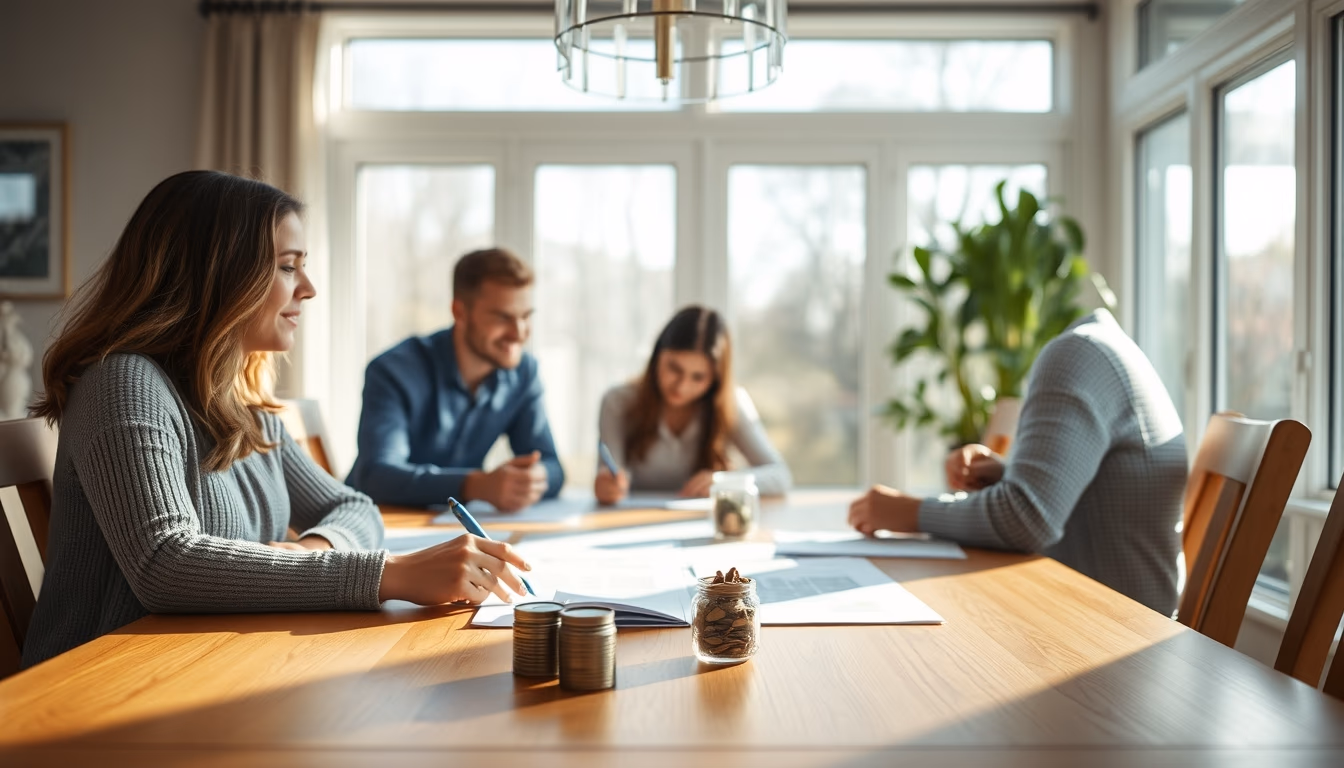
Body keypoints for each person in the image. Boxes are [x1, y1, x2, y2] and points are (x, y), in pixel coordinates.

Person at [23, 171, 530, 668]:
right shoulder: (122, 382)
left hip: (207, 664)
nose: (308, 288)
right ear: (219, 275)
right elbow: (166, 564)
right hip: (97, 684)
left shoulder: (240, 403)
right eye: (288, 267)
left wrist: (308, 552)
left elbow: (353, 507)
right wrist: (389, 574)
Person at [848, 308, 1186, 615]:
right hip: (1122, 622)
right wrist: (1007, 475)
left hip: (1114, 633)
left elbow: (1027, 517)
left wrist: (908, 512)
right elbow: (1089, 501)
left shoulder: (1077, 354)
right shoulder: (1107, 349)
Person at [345, 248, 564, 511]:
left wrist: (533, 479)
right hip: (377, 522)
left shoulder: (523, 373)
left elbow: (553, 467)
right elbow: (377, 476)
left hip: (453, 526)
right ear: (459, 312)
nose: (519, 333)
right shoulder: (393, 371)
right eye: (503, 317)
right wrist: (477, 485)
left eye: (526, 316)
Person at [595, 305, 792, 504]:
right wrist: (608, 487)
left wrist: (723, 482)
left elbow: (780, 475)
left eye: (698, 377)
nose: (682, 386)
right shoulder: (617, 402)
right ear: (657, 356)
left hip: (705, 520)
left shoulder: (731, 403)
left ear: (715, 379)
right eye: (674, 368)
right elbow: (610, 476)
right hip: (633, 518)